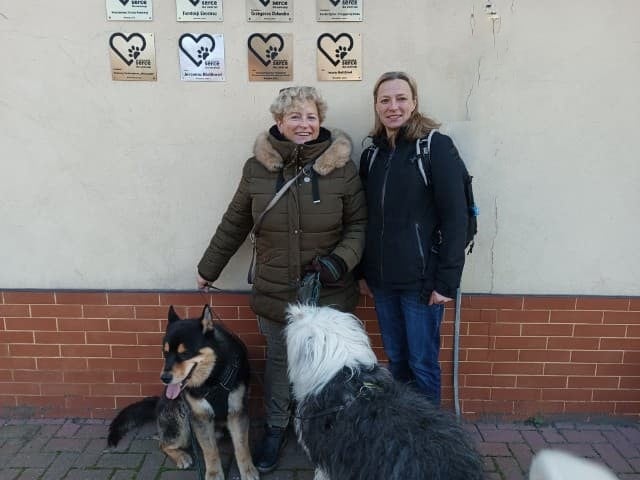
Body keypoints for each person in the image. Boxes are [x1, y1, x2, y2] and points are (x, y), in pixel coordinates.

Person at [196, 86, 366, 473]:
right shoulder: (256, 168)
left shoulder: (342, 167)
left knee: (331, 367)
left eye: (310, 116)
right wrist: (209, 269)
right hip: (275, 291)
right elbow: (235, 221)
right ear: (279, 122)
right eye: (295, 117)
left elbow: (359, 224)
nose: (303, 124)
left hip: (330, 293)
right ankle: (275, 429)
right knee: (278, 363)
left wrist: (338, 263)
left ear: (320, 121)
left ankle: (332, 434)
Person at [358, 71, 469, 407]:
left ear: (414, 102)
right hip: (382, 281)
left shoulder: (434, 147)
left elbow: (456, 218)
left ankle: (430, 445)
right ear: (376, 106)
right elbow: (365, 219)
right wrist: (363, 272)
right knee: (396, 361)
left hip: (422, 284)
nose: (394, 106)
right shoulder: (371, 155)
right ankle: (403, 434)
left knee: (422, 365)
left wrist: (447, 281)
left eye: (401, 98)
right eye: (385, 100)